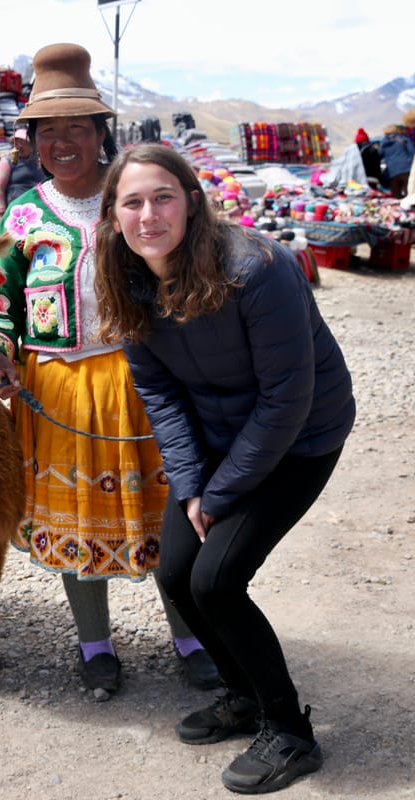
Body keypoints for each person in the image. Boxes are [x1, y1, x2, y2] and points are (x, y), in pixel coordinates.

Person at [94, 143, 355, 793]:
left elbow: (285, 400)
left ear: (192, 202)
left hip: (301, 437)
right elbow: (158, 391)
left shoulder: (259, 269)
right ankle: (243, 696)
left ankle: (291, 733)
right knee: (175, 571)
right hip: (217, 439)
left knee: (216, 580)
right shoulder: (125, 276)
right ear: (113, 215)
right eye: (132, 202)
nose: (148, 214)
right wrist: (190, 486)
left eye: (163, 197)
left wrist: (221, 494)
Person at [0, 43, 218, 696]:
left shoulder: (132, 203)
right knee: (76, 516)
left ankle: (189, 634)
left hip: (141, 379)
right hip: (56, 388)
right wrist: (2, 352)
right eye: (48, 131)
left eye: (77, 128)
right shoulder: (22, 216)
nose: (63, 142)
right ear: (34, 141)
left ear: (100, 134)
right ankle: (95, 645)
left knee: (166, 512)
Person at [0, 126, 44, 217]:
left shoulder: (38, 161)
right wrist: (1, 213)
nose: (19, 145)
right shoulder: (7, 162)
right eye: (17, 142)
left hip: (38, 208)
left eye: (23, 142)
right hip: (16, 211)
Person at [379, 123, 415, 198]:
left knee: (396, 197)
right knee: (410, 194)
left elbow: (380, 155)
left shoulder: (383, 143)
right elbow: (412, 152)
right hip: (406, 169)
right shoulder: (403, 139)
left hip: (391, 172)